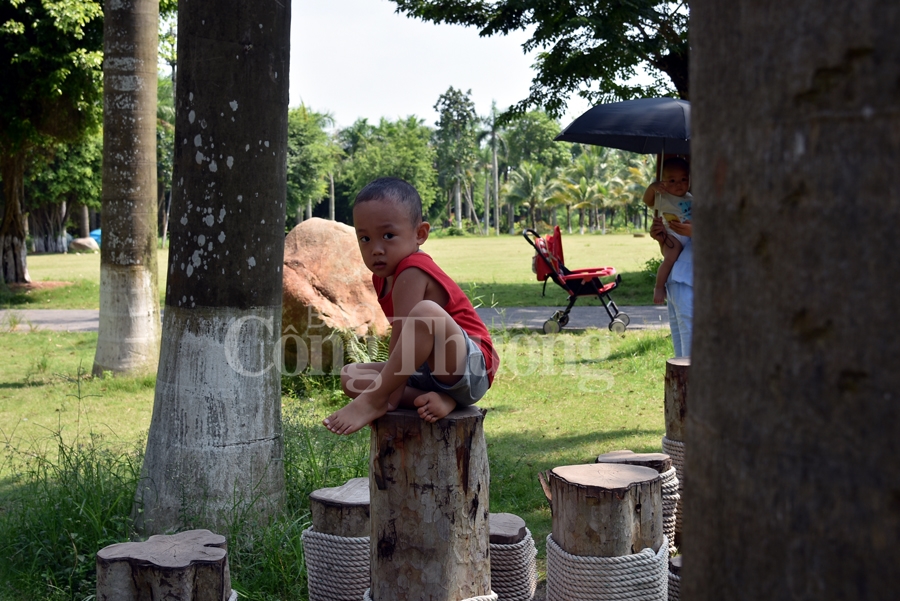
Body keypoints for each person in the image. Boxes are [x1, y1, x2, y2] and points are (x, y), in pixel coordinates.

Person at [324, 177, 499, 435]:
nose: (376, 249)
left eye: (388, 235)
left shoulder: (412, 269)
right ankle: (445, 400)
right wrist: (387, 388)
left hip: (470, 365)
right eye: (365, 239)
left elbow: (401, 333)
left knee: (424, 313)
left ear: (420, 234)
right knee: (350, 376)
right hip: (428, 370)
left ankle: (377, 400)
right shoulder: (383, 276)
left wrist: (384, 396)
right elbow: (405, 349)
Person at [643, 158, 693, 357]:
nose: (678, 184)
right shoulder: (663, 197)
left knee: (685, 342)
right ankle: (658, 286)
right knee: (670, 258)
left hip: (686, 246)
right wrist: (652, 187)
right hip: (675, 237)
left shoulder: (692, 198)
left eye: (683, 179)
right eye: (671, 181)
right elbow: (647, 200)